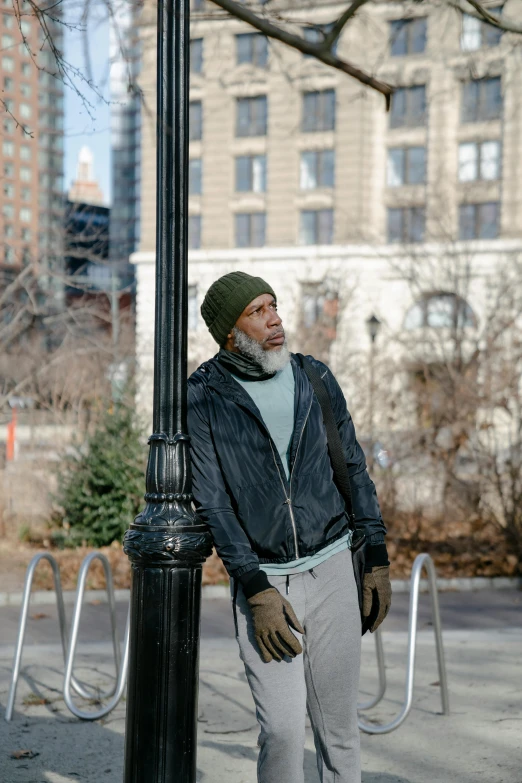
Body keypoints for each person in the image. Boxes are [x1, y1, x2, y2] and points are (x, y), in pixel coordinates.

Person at [187, 271, 392, 783]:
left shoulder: (313, 377)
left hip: (332, 568)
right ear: (230, 332)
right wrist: (255, 590)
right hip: (266, 584)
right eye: (256, 312)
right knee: (280, 730)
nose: (274, 318)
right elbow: (213, 500)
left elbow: (353, 468)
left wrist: (377, 556)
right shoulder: (204, 396)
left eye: (273, 305)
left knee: (339, 731)